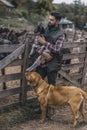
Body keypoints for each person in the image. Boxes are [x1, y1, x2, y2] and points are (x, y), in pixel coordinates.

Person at [32, 11, 65, 85]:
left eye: (52, 20)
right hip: (41, 63)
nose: (49, 21)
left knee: (51, 87)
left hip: (53, 64)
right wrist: (43, 53)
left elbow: (57, 49)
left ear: (57, 21)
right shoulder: (44, 30)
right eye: (49, 19)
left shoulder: (61, 34)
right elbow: (35, 45)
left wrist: (44, 42)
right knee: (38, 84)